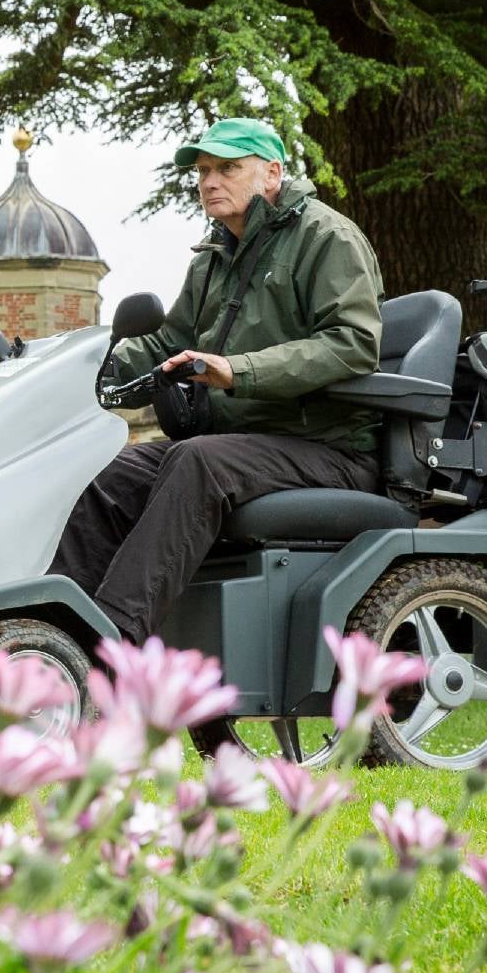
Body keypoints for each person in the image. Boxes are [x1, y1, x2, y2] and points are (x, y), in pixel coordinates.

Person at [47, 117, 384, 642]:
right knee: (110, 474)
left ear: (271, 173)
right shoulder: (214, 256)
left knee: (196, 460)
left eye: (227, 168)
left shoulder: (327, 237)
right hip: (247, 443)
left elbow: (353, 343)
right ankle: (52, 633)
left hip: (327, 446)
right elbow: (165, 344)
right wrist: (80, 366)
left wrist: (240, 371)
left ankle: (111, 642)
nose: (209, 181)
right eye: (203, 170)